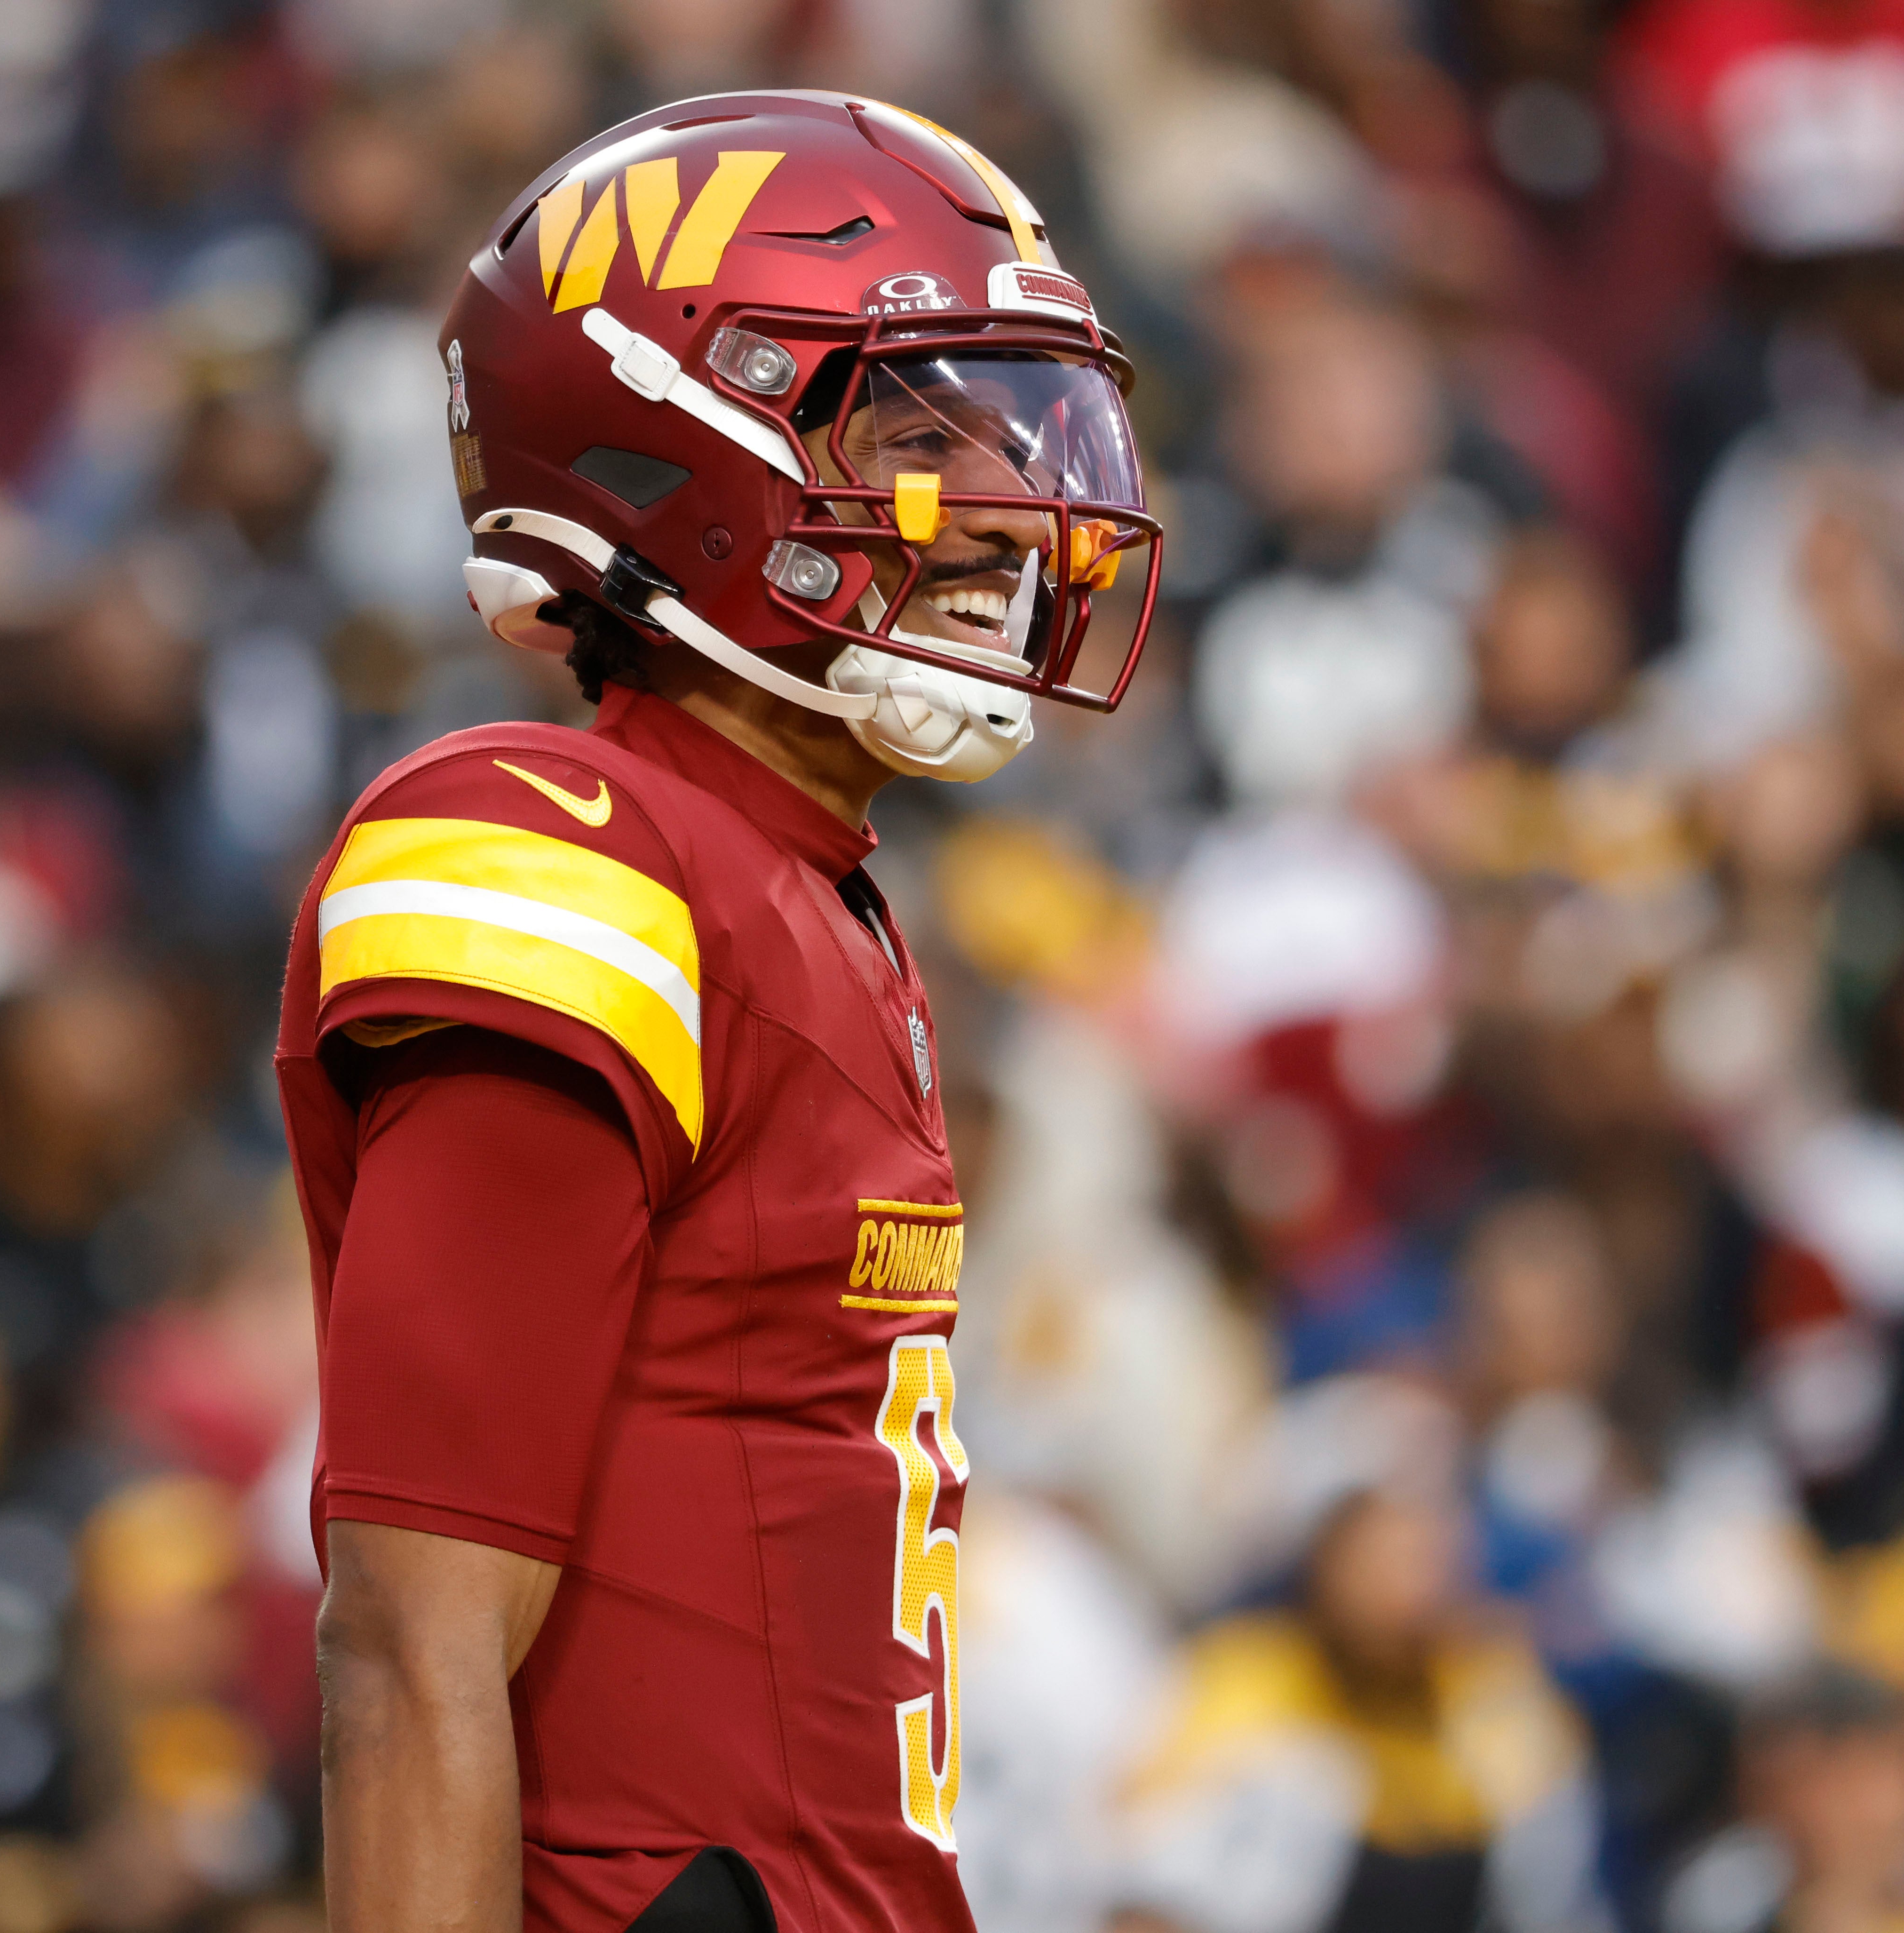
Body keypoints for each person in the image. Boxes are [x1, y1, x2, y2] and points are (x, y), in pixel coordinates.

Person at [274, 94, 1159, 1933]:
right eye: (917, 426)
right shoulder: (565, 852)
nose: (1009, 499)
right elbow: (411, 1643)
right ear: (676, 438)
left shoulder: (804, 881)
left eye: (1009, 419)